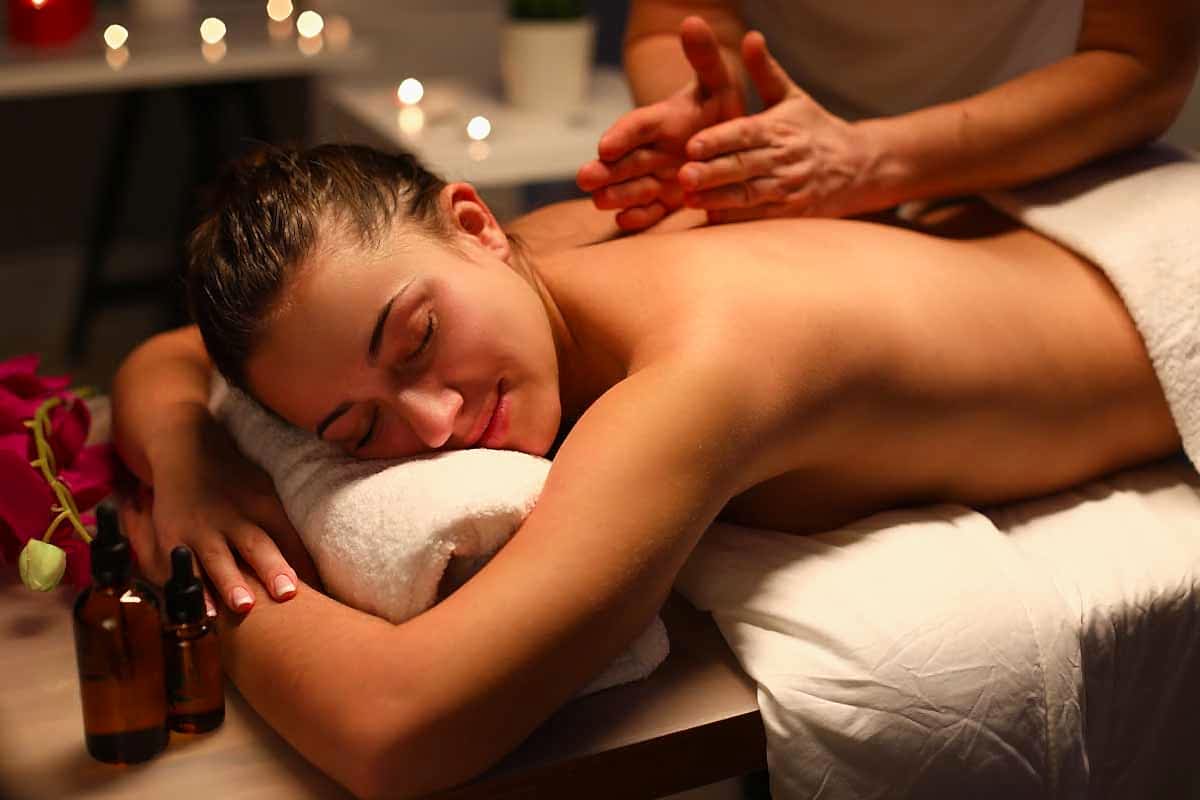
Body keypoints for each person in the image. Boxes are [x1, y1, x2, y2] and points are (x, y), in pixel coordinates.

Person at [111, 142, 1177, 797]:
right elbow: (167, 358)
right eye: (354, 428)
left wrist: (184, 560)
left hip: (1165, 280)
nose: (434, 424)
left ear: (476, 225)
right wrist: (189, 463)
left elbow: (396, 732)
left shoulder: (704, 374)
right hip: (1025, 238)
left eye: (420, 339)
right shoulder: (520, 261)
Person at [577, 2, 1200, 230]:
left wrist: (867, 162)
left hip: (1054, 176)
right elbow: (679, 23)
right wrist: (705, 115)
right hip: (789, 177)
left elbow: (1142, 65)